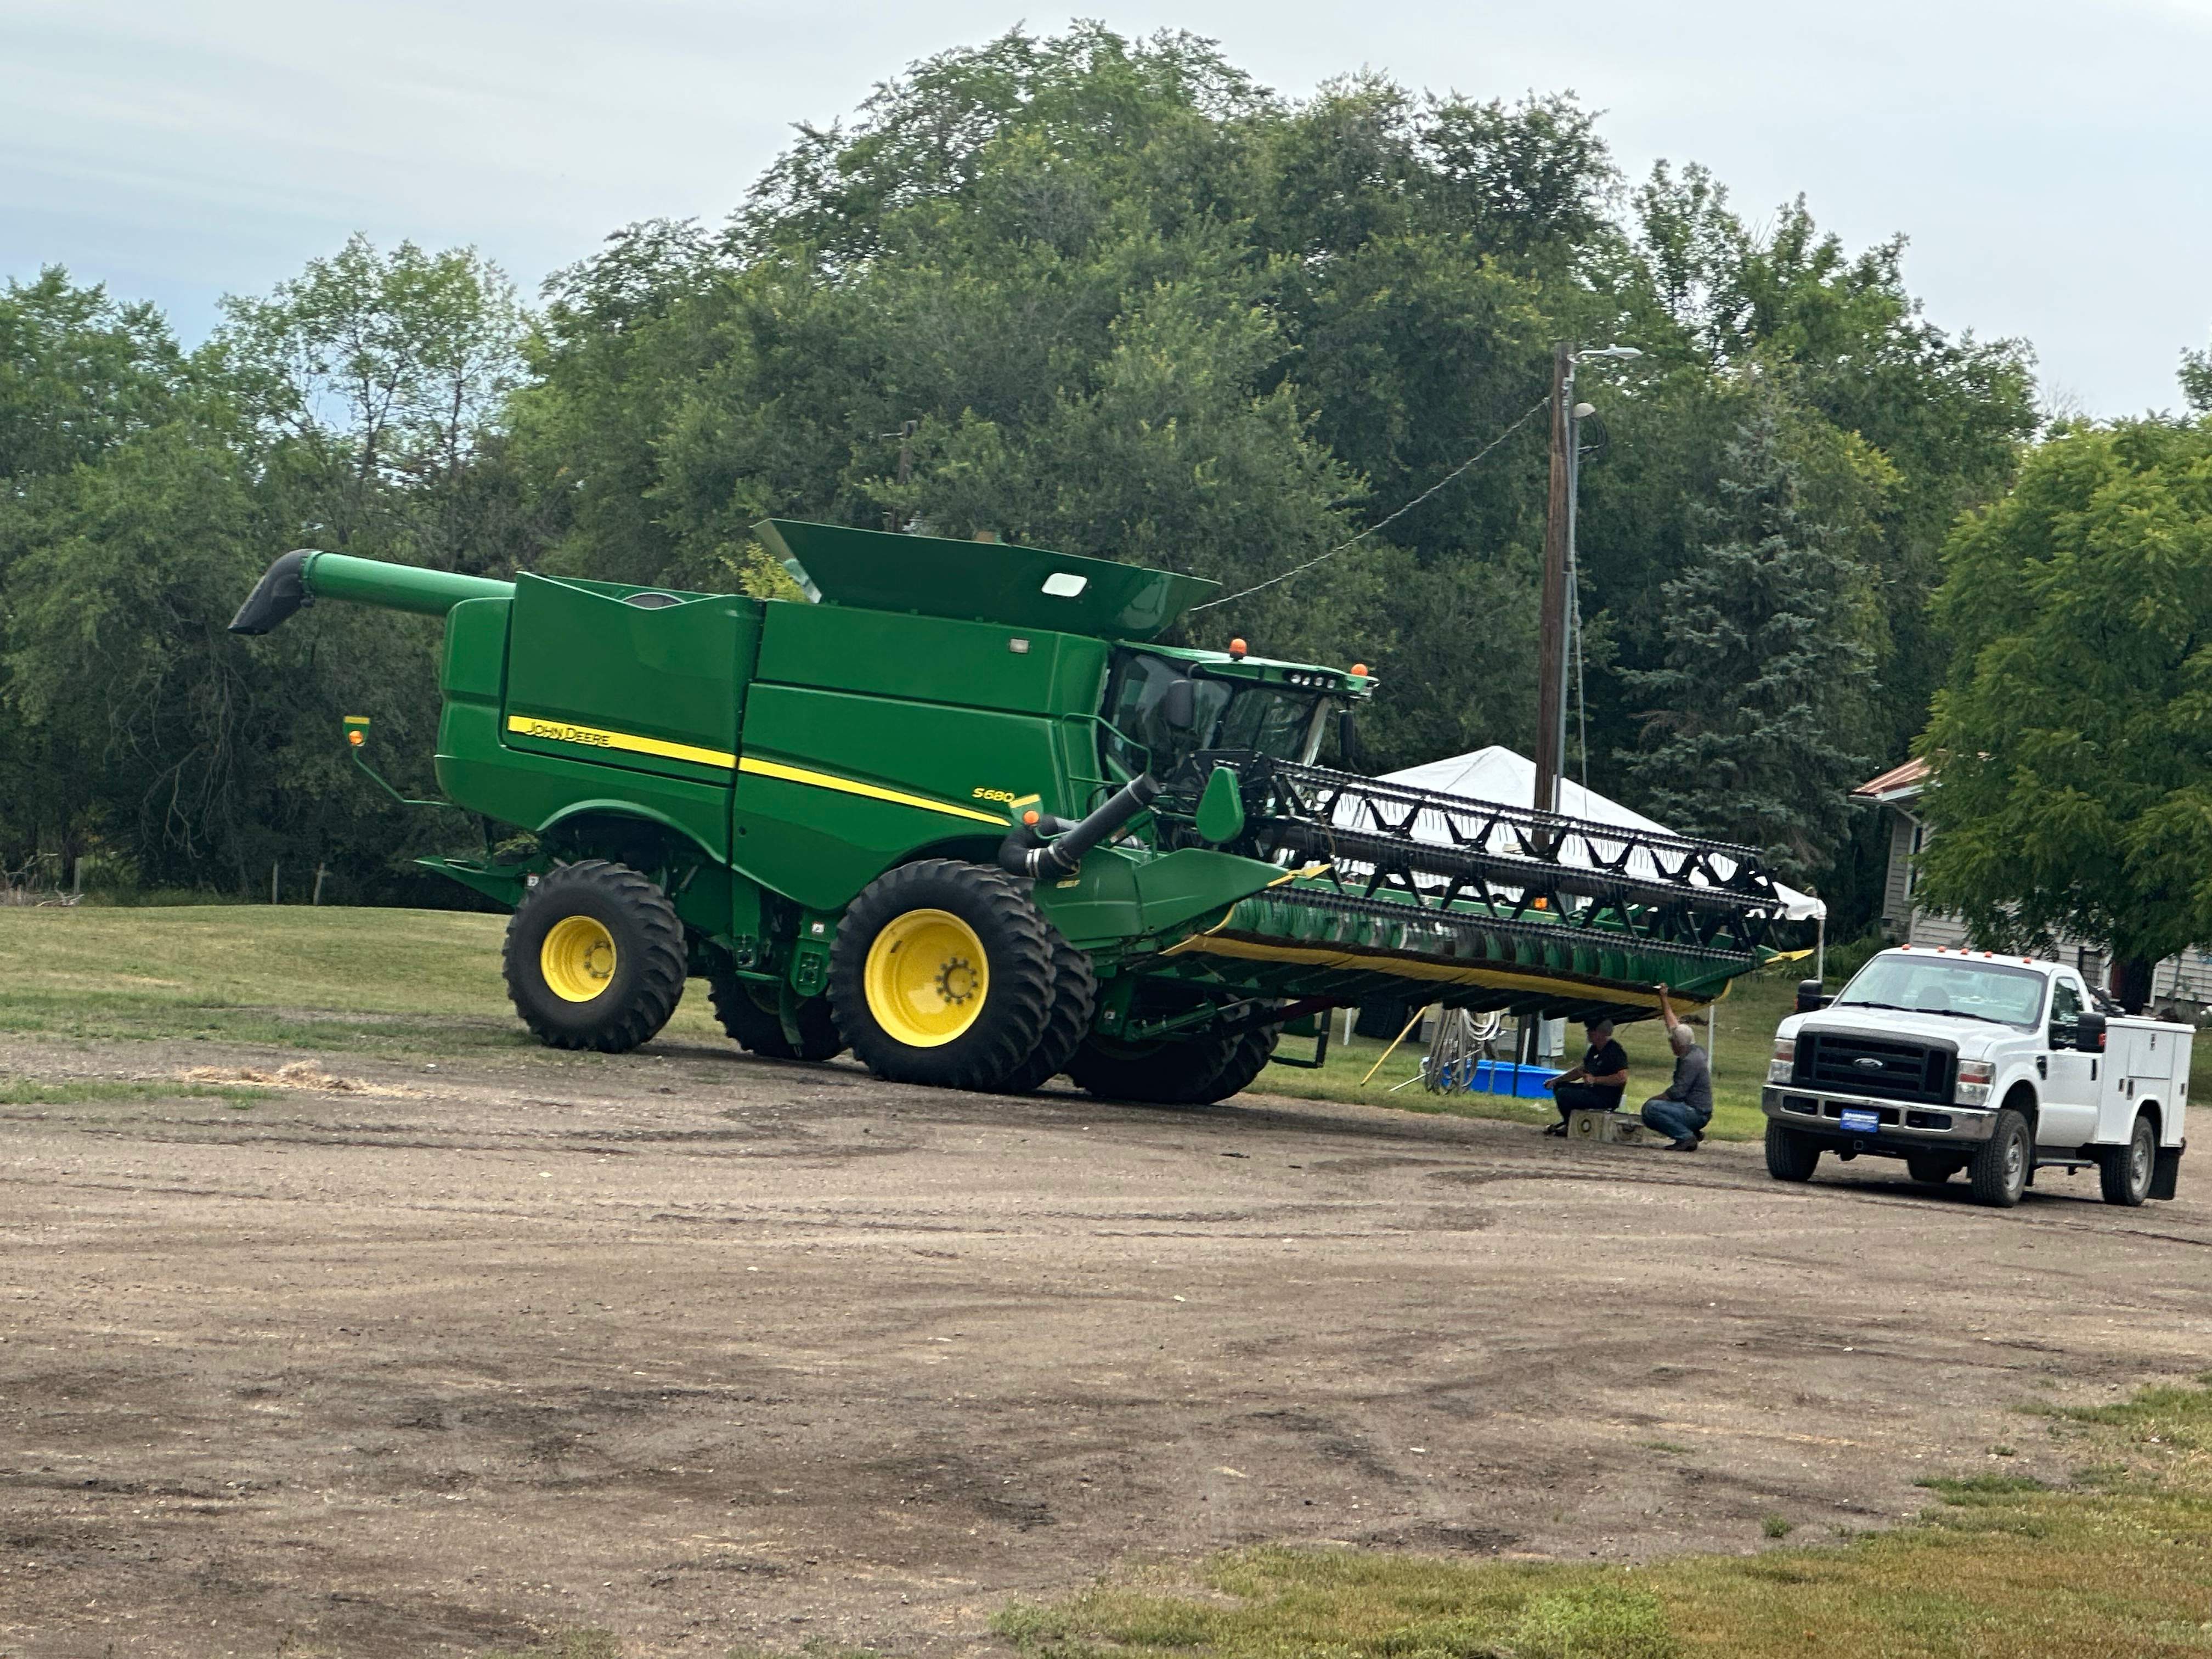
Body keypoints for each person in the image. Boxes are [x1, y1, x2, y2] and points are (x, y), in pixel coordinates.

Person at [1640, 986, 1713, 1152]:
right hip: (1695, 1108)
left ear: (1677, 1045)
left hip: (1696, 1111)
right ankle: (1690, 1131)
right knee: (1654, 1107)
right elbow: (1673, 1024)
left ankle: (1686, 1137)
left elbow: (1677, 1093)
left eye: (1671, 1041)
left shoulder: (1690, 1062)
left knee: (1651, 1109)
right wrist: (1663, 998)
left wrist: (1653, 1100)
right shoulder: (1692, 1048)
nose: (1670, 1043)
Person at [1542, 1016, 1629, 1135]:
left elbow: (1622, 1078)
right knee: (1560, 1087)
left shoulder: (1615, 1052)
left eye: (1592, 1030)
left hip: (1605, 1097)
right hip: (1592, 1091)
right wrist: (1556, 1080)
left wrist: (1595, 1080)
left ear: (1601, 1034)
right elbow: (1581, 1070)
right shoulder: (1594, 1050)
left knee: (1564, 1094)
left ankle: (1571, 1126)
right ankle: (1570, 1122)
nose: (1588, 1033)